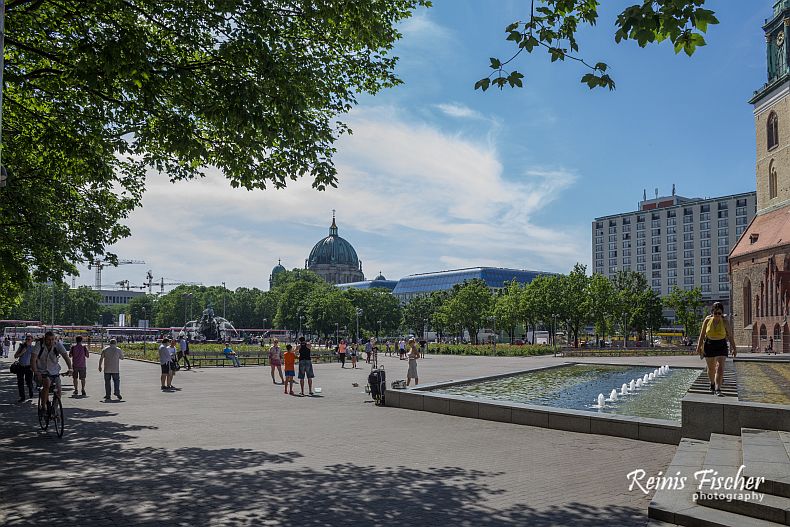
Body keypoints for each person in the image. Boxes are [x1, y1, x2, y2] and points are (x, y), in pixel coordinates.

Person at [696, 302, 737, 397]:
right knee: (711, 368)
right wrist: (698, 347)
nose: (717, 315)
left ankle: (718, 388)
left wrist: (734, 348)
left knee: (720, 367)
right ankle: (712, 384)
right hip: (709, 344)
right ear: (712, 313)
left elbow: (730, 336)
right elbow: (702, 334)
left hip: (721, 345)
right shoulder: (707, 320)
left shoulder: (725, 322)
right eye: (715, 313)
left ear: (722, 313)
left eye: (719, 313)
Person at [31, 331, 73, 405]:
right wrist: (36, 372)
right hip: (41, 371)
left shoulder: (57, 344)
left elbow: (66, 357)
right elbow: (33, 359)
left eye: (52, 339)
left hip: (54, 371)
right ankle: (44, 406)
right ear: (44, 339)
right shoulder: (39, 345)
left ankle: (55, 408)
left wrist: (70, 368)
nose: (51, 342)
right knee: (46, 384)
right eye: (48, 340)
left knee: (59, 390)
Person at [14, 335, 35, 402]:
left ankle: (31, 390)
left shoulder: (33, 348)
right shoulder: (21, 346)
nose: (27, 341)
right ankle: (22, 397)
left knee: (29, 382)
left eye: (29, 339)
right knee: (20, 382)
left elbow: (35, 359)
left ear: (32, 340)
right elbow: (15, 356)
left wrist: (34, 367)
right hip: (20, 367)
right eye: (26, 339)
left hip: (29, 367)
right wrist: (22, 352)